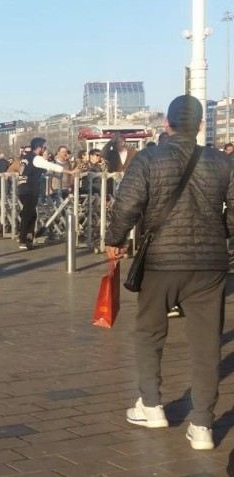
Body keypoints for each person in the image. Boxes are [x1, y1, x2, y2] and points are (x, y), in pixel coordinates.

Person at [106, 95, 234, 451]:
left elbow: (127, 203)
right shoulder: (223, 163)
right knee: (207, 345)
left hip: (161, 260)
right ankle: (203, 426)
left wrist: (114, 240)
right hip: (209, 266)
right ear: (201, 125)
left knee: (150, 332)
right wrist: (220, 235)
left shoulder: (149, 158)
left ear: (167, 123)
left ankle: (151, 405)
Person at [17, 137, 73, 250]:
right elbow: (50, 166)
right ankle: (23, 240)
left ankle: (28, 238)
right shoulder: (36, 158)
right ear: (39, 148)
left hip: (22, 188)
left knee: (31, 214)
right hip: (30, 189)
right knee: (28, 215)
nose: (45, 149)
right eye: (44, 147)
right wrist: (69, 171)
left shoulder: (26, 158)